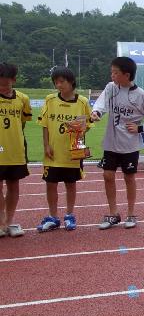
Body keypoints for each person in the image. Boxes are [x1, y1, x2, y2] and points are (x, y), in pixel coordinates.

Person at [91, 57, 144, 230]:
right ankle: (113, 213)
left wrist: (141, 128)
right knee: (107, 175)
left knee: (128, 177)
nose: (112, 75)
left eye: (115, 73)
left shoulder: (140, 95)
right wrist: (96, 113)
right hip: (111, 143)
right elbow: (101, 104)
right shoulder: (111, 88)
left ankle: (131, 214)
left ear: (127, 75)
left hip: (130, 145)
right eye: (112, 72)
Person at [36, 67, 92, 232]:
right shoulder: (50, 100)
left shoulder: (82, 101)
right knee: (51, 184)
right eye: (56, 82)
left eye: (62, 81)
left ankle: (69, 215)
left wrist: (79, 128)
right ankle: (53, 217)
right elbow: (45, 125)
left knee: (70, 183)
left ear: (71, 82)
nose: (58, 85)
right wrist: (46, 145)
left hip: (73, 151)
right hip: (53, 151)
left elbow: (87, 125)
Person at [0, 62, 32, 238]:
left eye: (6, 83)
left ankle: (10, 221)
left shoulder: (23, 99)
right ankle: (1, 221)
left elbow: (22, 123)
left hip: (16, 149)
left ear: (13, 80)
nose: (3, 87)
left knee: (13, 185)